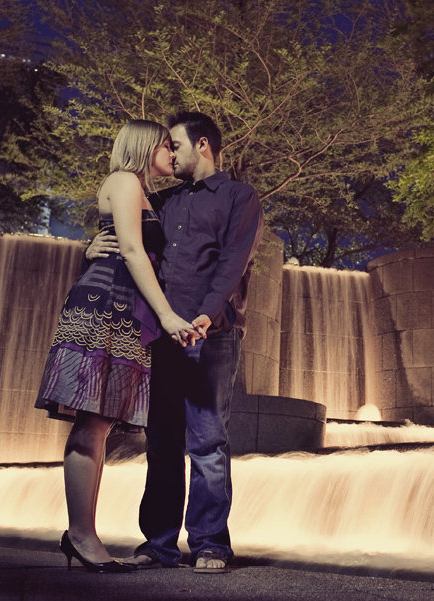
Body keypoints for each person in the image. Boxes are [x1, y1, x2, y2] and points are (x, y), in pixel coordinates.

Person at [86, 111, 264, 574]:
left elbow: (233, 263)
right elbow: (132, 244)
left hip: (214, 333)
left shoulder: (239, 197)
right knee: (162, 440)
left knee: (208, 440)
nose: (170, 153)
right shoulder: (161, 201)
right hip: (162, 334)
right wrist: (93, 245)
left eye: (176, 146)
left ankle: (210, 543)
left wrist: (206, 313)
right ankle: (159, 543)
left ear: (202, 144)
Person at [35, 120, 199, 573]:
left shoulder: (142, 191)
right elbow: (129, 248)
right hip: (106, 304)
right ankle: (81, 535)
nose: (172, 152)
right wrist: (166, 315)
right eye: (167, 145)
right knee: (91, 422)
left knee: (100, 423)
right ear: (147, 145)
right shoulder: (125, 180)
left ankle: (83, 533)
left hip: (123, 309)